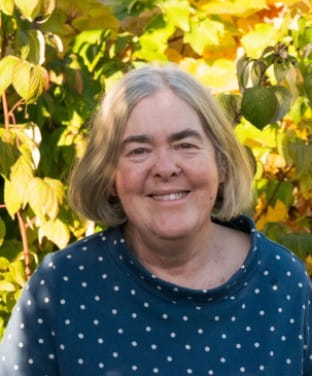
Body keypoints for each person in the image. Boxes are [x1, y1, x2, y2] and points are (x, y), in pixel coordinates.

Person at [0, 64, 311, 376]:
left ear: (222, 163)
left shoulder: (284, 283)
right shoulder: (61, 286)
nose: (165, 167)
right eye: (139, 150)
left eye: (185, 145)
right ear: (109, 175)